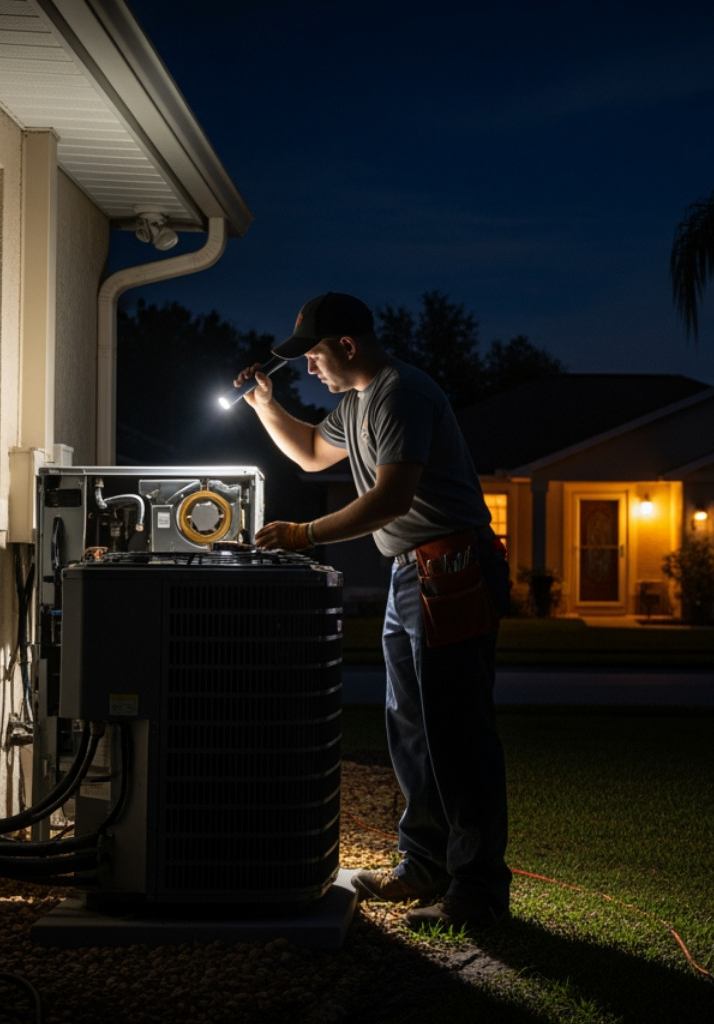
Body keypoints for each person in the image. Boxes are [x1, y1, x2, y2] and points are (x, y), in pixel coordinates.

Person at [235, 291, 511, 929]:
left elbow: (390, 499)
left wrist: (305, 534)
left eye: (313, 355)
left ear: (347, 344)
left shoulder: (400, 393)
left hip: (453, 568)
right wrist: (267, 406)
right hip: (411, 573)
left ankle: (478, 891)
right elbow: (311, 452)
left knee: (457, 733)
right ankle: (425, 865)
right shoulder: (357, 402)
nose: (309, 368)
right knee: (411, 728)